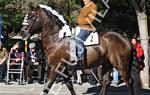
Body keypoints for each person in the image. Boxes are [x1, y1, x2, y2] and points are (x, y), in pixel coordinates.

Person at [75, 0, 97, 67]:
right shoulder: (84, 6)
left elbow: (91, 19)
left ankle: (81, 61)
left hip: (87, 28)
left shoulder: (93, 6)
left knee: (78, 40)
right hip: (79, 27)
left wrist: (79, 21)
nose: (83, 0)